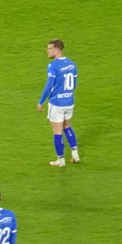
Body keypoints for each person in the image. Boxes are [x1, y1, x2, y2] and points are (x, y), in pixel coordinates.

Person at [37, 39, 79, 167]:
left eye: (49, 49)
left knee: (57, 132)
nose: (47, 51)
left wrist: (41, 102)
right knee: (67, 127)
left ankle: (60, 161)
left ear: (57, 49)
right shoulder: (72, 64)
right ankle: (75, 155)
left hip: (57, 104)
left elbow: (49, 85)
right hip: (69, 101)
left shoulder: (53, 66)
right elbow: (75, 84)